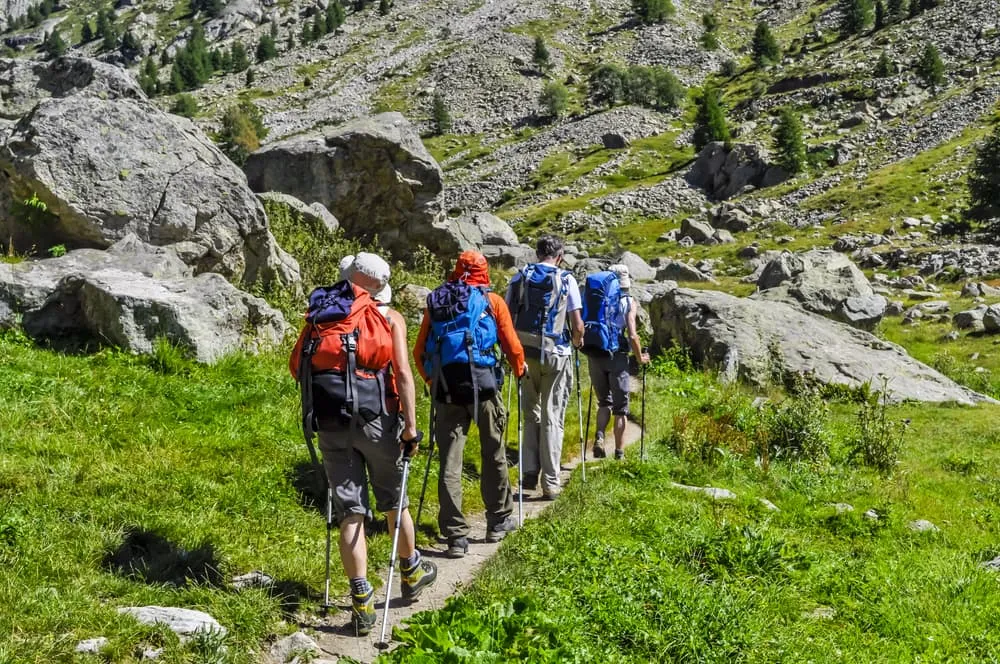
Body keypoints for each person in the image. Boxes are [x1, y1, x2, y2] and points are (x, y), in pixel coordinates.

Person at [290, 252, 436, 636]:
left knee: (350, 512)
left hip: (331, 424)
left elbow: (296, 368)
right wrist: (411, 428)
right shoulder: (389, 318)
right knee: (394, 501)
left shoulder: (322, 316)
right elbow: (402, 373)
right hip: (378, 422)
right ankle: (411, 571)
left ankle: (361, 598)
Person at [415, 251, 528, 558]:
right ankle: (498, 521)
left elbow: (419, 350)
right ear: (484, 271)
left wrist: (431, 380)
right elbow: (512, 345)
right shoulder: (492, 301)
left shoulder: (438, 302)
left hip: (446, 389)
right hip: (484, 387)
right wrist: (519, 369)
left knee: (450, 460)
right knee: (494, 452)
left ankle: (455, 536)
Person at [505, 235, 584, 499]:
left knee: (530, 413)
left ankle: (529, 472)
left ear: (537, 254)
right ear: (559, 256)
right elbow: (577, 324)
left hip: (524, 354)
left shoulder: (519, 277)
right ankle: (550, 482)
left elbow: (506, 316)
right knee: (553, 416)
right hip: (555, 354)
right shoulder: (566, 279)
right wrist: (577, 341)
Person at [587, 264, 649, 460]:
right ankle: (619, 454)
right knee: (620, 409)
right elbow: (632, 334)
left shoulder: (597, 298)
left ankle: (599, 436)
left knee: (604, 402)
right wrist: (639, 357)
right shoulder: (628, 301)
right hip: (617, 356)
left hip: (595, 354)